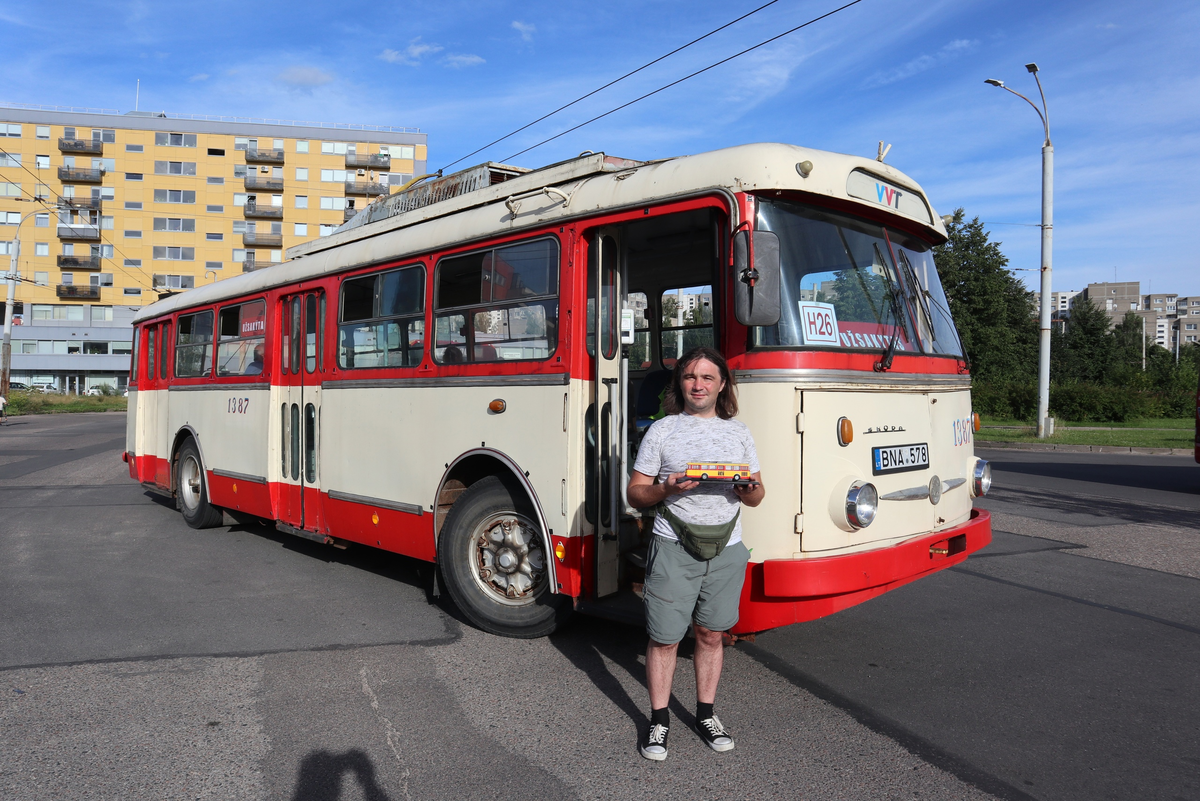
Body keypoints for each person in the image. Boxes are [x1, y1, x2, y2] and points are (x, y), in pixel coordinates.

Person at [627, 346, 765, 761]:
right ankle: (659, 719)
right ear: (680, 383)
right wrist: (667, 488)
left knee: (710, 634)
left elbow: (757, 495)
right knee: (665, 638)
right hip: (673, 545)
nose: (699, 384)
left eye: (708, 377)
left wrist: (748, 489)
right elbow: (635, 492)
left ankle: (706, 713)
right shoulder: (663, 430)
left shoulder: (739, 432)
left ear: (722, 384)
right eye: (691, 377)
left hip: (727, 546)